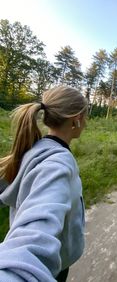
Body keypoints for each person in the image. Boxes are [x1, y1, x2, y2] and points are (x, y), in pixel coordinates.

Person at [0, 86, 88, 282]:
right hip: (52, 267)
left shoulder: (34, 149)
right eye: (86, 117)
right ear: (77, 119)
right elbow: (34, 238)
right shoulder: (57, 164)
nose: (86, 123)